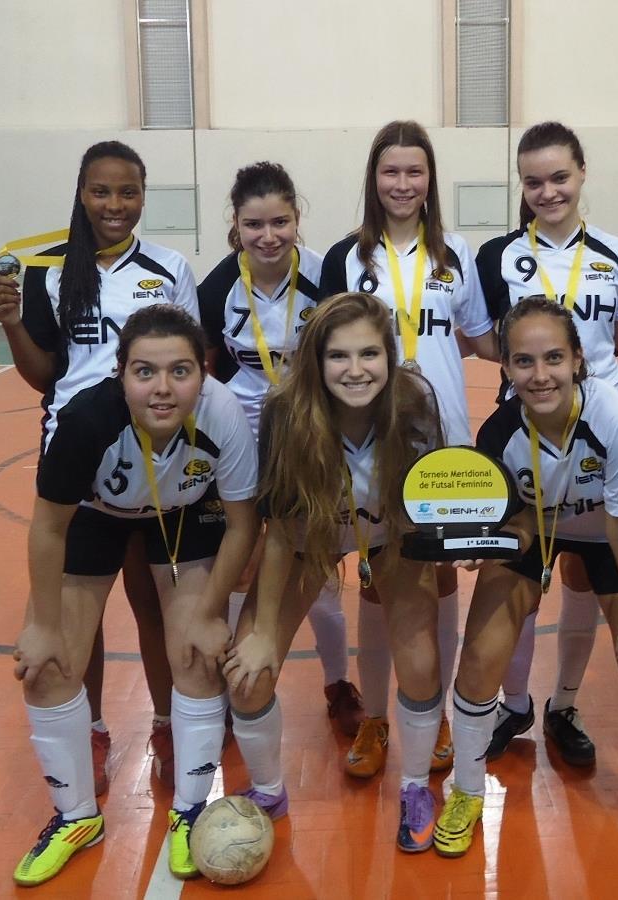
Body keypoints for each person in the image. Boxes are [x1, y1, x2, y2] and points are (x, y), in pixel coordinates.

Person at [11, 304, 259, 885]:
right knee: (47, 666)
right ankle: (76, 817)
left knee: (198, 654)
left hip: (182, 515)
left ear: (204, 371)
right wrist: (43, 623)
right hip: (97, 516)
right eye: (145, 372)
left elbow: (244, 523)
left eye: (181, 371)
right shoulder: (87, 420)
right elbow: (49, 527)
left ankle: (190, 812)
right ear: (120, 375)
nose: (163, 388)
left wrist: (211, 611)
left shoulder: (223, 413)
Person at [0, 141, 199, 794]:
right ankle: (93, 730)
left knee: (154, 606)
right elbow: (45, 375)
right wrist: (13, 323)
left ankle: (166, 725)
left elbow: (189, 365)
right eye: (102, 191)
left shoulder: (169, 269)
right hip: (77, 466)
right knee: (86, 615)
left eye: (128, 191)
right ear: (82, 193)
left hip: (156, 464)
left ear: (143, 196)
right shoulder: (50, 275)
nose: (115, 204)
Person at [433, 297, 618, 858]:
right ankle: (466, 791)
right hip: (537, 524)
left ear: (577, 361)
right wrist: (486, 545)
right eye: (524, 361)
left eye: (552, 358)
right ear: (506, 368)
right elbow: (511, 516)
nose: (539, 375)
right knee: (477, 661)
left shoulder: (615, 419)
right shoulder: (497, 432)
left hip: (608, 533)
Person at [222, 292, 446, 853]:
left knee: (419, 660)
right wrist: (263, 630)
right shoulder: (285, 412)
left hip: (390, 535)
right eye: (338, 356)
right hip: (308, 537)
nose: (355, 370)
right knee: (248, 673)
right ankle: (270, 791)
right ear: (317, 362)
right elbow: (281, 530)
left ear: (390, 357)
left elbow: (429, 502)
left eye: (369, 354)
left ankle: (417, 786)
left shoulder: (416, 400)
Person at [321, 121, 499, 778]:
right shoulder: (346, 258)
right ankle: (375, 717)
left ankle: (438, 709)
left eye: (414, 171)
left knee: (441, 574)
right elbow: (327, 351)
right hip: (369, 443)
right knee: (374, 580)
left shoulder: (455, 252)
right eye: (390, 172)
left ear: (430, 180)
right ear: (374, 179)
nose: (402, 183)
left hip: (445, 441)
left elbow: (481, 337)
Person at [475, 122, 618, 768]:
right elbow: (483, 339)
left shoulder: (615, 253)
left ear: (581, 175)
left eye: (559, 177)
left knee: (579, 571)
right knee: (518, 565)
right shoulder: (498, 256)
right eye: (534, 181)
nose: (548, 191)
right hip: (528, 427)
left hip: (599, 429)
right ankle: (513, 702)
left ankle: (563, 703)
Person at [199, 161, 365, 738]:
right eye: (254, 225)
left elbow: (349, 351)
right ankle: (218, 686)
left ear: (297, 219)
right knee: (238, 561)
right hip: (242, 431)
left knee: (313, 567)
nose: (268, 237)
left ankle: (338, 682)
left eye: (280, 222)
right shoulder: (217, 286)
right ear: (236, 226)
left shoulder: (328, 275)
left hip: (309, 425)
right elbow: (207, 370)